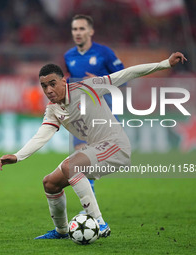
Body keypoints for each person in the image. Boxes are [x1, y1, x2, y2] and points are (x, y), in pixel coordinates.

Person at [0, 52, 187, 239]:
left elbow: (126, 74)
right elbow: (41, 136)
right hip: (94, 149)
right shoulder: (53, 109)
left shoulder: (87, 87)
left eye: (52, 84)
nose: (48, 90)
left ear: (64, 81)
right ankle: (61, 231)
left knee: (72, 166)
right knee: (50, 183)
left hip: (116, 146)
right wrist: (18, 156)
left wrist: (165, 64)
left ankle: (100, 223)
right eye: (44, 86)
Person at [64, 14, 125, 195]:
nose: (78, 33)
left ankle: (90, 209)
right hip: (81, 112)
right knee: (81, 158)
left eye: (82, 29)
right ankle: (89, 210)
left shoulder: (104, 53)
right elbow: (70, 81)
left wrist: (100, 81)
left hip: (104, 111)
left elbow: (124, 78)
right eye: (75, 29)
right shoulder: (69, 56)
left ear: (91, 31)